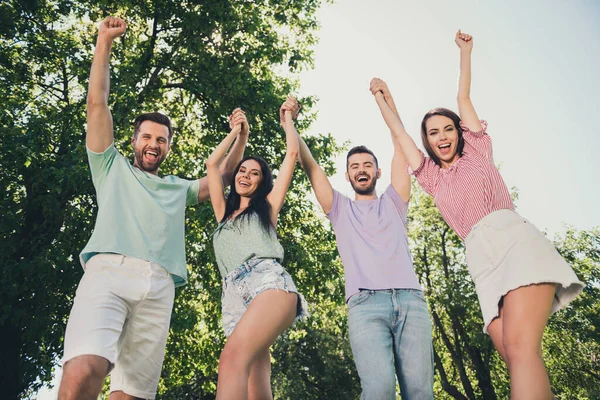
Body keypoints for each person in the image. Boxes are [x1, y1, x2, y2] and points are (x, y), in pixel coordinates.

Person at [372, 30, 583, 400]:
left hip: (514, 241)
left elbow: (462, 97)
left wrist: (465, 53)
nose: (442, 136)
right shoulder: (431, 179)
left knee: (522, 350)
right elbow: (399, 133)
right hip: (481, 263)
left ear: (459, 133)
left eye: (448, 128)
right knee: (516, 357)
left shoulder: (478, 152)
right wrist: (381, 98)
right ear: (428, 141)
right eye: (433, 132)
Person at [58, 17, 248, 400]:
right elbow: (97, 103)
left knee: (131, 395)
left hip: (160, 286)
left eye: (162, 140)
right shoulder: (110, 166)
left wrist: (240, 136)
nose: (154, 143)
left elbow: (223, 179)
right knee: (84, 370)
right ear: (133, 140)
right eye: (147, 136)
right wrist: (104, 40)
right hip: (109, 272)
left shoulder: (178, 188)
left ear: (168, 148)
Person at [288, 96, 434, 399]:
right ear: (348, 175)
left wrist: (386, 98)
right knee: (378, 391)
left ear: (378, 172)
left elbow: (399, 143)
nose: (361, 169)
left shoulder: (395, 202)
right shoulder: (339, 209)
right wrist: (289, 121)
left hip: (410, 302)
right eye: (355, 166)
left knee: (420, 393)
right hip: (366, 307)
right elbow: (311, 166)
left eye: (368, 164)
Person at [206, 97, 308, 400]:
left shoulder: (268, 208)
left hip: (267, 283)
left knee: (231, 360)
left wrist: (287, 119)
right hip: (233, 299)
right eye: (242, 170)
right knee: (255, 386)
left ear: (262, 183)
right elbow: (213, 164)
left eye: (254, 173)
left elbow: (292, 153)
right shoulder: (223, 215)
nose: (245, 176)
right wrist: (238, 133)